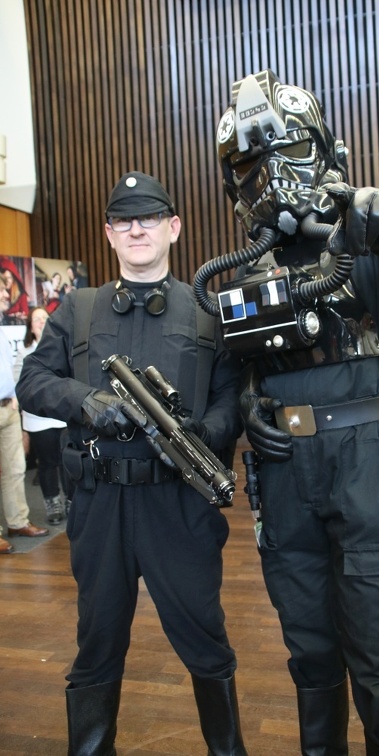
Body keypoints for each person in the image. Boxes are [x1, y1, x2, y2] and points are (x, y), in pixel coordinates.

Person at [198, 70, 379, 756]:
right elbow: (239, 370)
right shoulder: (247, 275)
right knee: (308, 640)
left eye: (289, 149)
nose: (270, 175)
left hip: (372, 465)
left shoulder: (376, 240)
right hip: (285, 473)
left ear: (328, 151)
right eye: (248, 163)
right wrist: (249, 403)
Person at [16, 171, 247, 755]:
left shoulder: (207, 312)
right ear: (109, 234)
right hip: (100, 504)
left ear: (174, 227)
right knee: (97, 642)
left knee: (205, 640)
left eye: (149, 218)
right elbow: (33, 381)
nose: (136, 229)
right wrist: (85, 402)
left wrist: (207, 432)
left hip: (180, 504)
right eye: (123, 220)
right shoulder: (78, 309)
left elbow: (232, 397)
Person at [0, 275, 49, 554]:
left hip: (8, 407)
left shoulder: (1, 330)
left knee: (16, 469)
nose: (7, 295)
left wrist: (15, 401)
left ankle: (17, 521)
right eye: (1, 290)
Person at [14, 307, 67, 524]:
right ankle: (53, 505)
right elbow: (21, 384)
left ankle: (72, 501)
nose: (42, 321)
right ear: (30, 326)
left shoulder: (63, 347)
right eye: (37, 319)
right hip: (38, 420)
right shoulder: (24, 352)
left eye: (45, 317)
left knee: (67, 461)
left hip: (62, 417)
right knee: (47, 463)